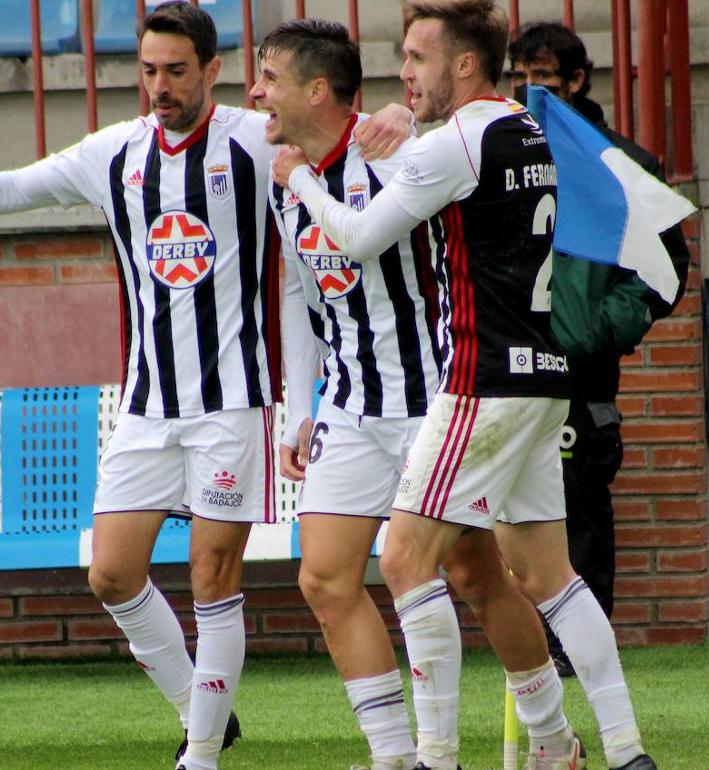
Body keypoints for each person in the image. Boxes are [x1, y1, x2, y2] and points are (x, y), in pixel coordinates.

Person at [0, 6, 411, 769]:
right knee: (112, 574)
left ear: (211, 70)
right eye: (149, 71)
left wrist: (397, 114)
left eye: (176, 71)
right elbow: (23, 185)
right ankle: (203, 709)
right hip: (146, 407)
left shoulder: (256, 140)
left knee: (211, 575)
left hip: (234, 404)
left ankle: (200, 755)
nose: (160, 86)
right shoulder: (117, 153)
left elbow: (341, 132)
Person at [272, 1, 657, 768]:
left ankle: (435, 756)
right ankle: (623, 749)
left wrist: (303, 182)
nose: (405, 74)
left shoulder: (455, 143)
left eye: (418, 59)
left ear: (465, 64)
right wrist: (404, 122)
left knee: (405, 562)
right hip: (546, 377)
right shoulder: (529, 126)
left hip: (481, 379)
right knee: (549, 575)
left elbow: (358, 236)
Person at [507, 22, 691, 679]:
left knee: (578, 515)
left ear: (577, 81)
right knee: (510, 523)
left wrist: (595, 332)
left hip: (582, 383)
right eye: (519, 80)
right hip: (509, 373)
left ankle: (581, 662)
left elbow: (664, 274)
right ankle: (529, 657)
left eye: (543, 80)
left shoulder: (620, 163)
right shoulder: (502, 156)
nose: (530, 93)